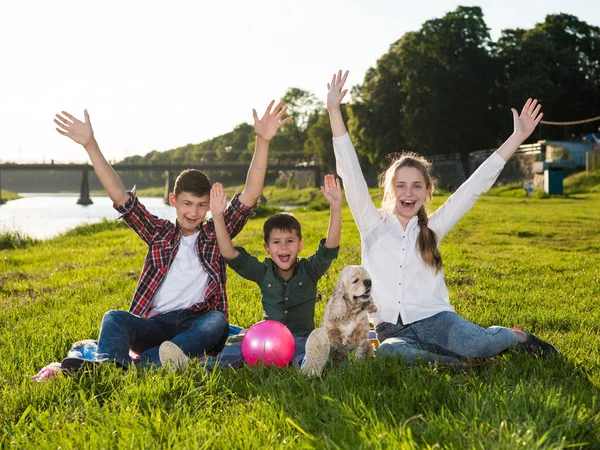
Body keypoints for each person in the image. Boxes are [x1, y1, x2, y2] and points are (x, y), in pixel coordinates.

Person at [326, 70, 559, 366]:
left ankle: (515, 337)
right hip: (392, 331)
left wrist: (518, 137)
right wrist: (334, 110)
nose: (408, 193)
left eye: (416, 186)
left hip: (438, 320)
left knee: (478, 343)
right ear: (389, 190)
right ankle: (463, 365)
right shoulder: (372, 224)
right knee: (390, 352)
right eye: (401, 186)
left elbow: (475, 186)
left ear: (426, 192)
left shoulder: (432, 228)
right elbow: (349, 170)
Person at [55, 101, 292, 372]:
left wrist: (262, 141)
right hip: (154, 324)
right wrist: (90, 145)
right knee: (114, 318)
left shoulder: (216, 232)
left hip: (195, 325)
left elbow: (250, 195)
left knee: (217, 322)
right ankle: (109, 364)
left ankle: (144, 364)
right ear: (173, 201)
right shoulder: (159, 233)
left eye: (202, 205)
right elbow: (121, 196)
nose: (194, 212)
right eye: (187, 204)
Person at [171, 174, 342, 377]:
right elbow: (229, 254)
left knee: (302, 348)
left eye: (290, 241)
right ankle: (199, 369)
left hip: (299, 336)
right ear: (267, 248)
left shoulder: (310, 270)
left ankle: (309, 366)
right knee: (236, 349)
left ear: (300, 245)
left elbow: (329, 249)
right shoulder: (263, 272)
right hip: (263, 337)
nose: (284, 247)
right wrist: (217, 217)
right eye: (276, 242)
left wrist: (336, 207)